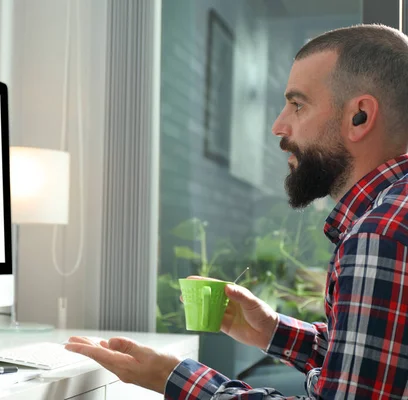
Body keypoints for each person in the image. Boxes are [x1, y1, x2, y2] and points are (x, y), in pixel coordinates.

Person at [65, 23, 408, 399]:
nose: (279, 125)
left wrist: (172, 376)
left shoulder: (380, 233)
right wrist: (273, 330)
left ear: (359, 115)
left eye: (297, 105)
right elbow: (372, 363)